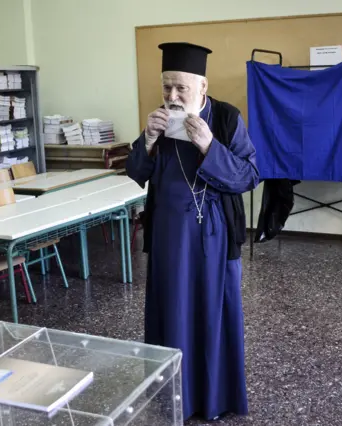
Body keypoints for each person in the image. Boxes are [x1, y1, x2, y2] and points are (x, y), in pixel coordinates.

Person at [126, 42, 259, 421]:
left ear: (202, 86)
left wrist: (209, 145)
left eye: (181, 88)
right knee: (173, 311)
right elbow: (137, 174)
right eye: (167, 87)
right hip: (169, 236)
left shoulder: (228, 118)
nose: (172, 96)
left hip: (214, 236)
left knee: (213, 313)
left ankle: (214, 399)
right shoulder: (161, 120)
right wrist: (148, 142)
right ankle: (171, 394)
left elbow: (249, 175)